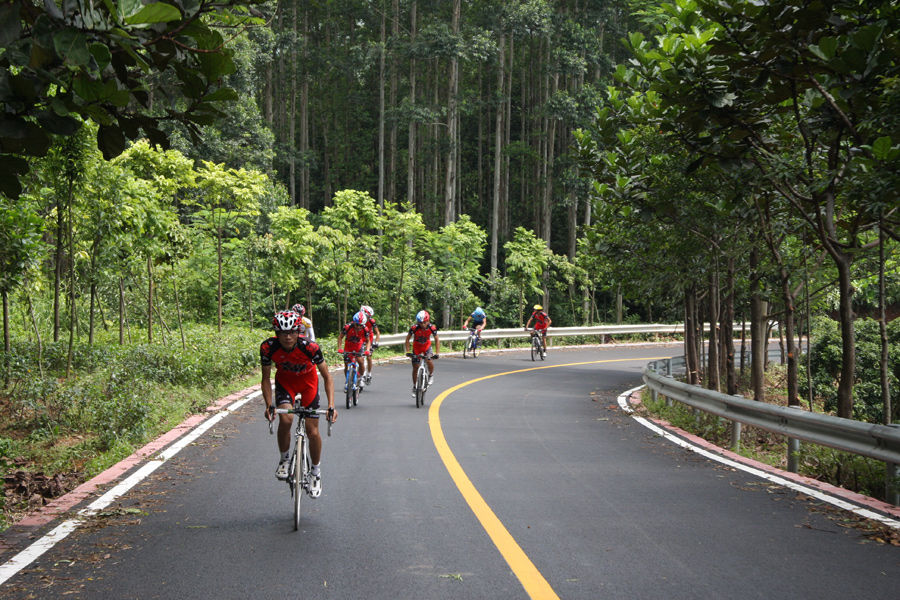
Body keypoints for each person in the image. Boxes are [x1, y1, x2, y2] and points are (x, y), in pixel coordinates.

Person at [261, 310, 336, 497]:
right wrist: (269, 404)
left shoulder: (310, 347)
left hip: (308, 383)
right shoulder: (268, 347)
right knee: (286, 419)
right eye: (282, 333)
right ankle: (285, 459)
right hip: (286, 384)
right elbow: (265, 379)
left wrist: (331, 405)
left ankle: (315, 472)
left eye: (292, 332)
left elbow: (327, 377)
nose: (287, 337)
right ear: (276, 333)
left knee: (313, 432)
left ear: (298, 331)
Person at [404, 310, 440, 396]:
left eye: (424, 322)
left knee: (429, 360)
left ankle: (431, 375)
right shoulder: (414, 328)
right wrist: (408, 351)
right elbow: (407, 340)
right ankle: (415, 387)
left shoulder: (432, 327)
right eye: (420, 323)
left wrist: (437, 353)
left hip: (427, 346)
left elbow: (437, 339)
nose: (422, 325)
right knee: (415, 367)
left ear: (428, 321)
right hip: (416, 347)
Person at [336, 310, 372, 390]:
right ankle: (347, 381)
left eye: (360, 325)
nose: (358, 327)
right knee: (346, 364)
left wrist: (367, 350)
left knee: (360, 361)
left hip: (358, 346)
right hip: (348, 346)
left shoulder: (365, 329)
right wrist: (340, 348)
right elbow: (340, 337)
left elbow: (368, 341)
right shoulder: (347, 327)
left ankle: (360, 378)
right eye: (357, 325)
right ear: (354, 322)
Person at [360, 305, 380, 384]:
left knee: (368, 356)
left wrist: (376, 342)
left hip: (369, 338)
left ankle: (369, 373)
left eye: (369, 317)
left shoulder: (372, 321)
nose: (368, 318)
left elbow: (377, 332)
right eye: (367, 316)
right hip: (360, 337)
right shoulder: (358, 319)